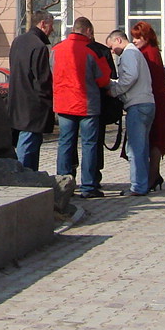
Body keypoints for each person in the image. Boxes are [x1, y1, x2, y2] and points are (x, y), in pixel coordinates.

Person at [52, 16, 112, 197]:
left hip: (63, 105)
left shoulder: (56, 50)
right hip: (87, 105)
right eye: (92, 33)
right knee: (89, 145)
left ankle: (63, 184)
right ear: (87, 31)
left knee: (65, 144)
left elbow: (51, 73)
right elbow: (103, 79)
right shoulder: (92, 51)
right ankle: (89, 186)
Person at [106, 29, 155, 195]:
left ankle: (138, 187)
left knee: (135, 149)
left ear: (119, 40)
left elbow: (130, 77)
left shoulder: (128, 54)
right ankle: (142, 184)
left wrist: (113, 90)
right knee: (141, 148)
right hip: (145, 104)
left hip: (138, 105)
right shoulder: (135, 53)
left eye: (112, 47)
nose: (112, 51)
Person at [7, 11, 54, 170]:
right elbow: (42, 80)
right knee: (29, 144)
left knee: (25, 141)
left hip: (16, 101)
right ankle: (25, 178)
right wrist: (48, 102)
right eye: (51, 26)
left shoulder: (17, 41)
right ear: (43, 24)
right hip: (33, 105)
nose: (52, 30)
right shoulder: (39, 46)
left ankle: (27, 175)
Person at [130, 20, 165, 190]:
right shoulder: (149, 52)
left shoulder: (149, 53)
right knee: (152, 139)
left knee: (154, 140)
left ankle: (152, 177)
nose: (135, 41)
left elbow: (151, 81)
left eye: (138, 37)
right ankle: (153, 176)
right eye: (133, 37)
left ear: (146, 37)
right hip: (156, 100)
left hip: (154, 101)